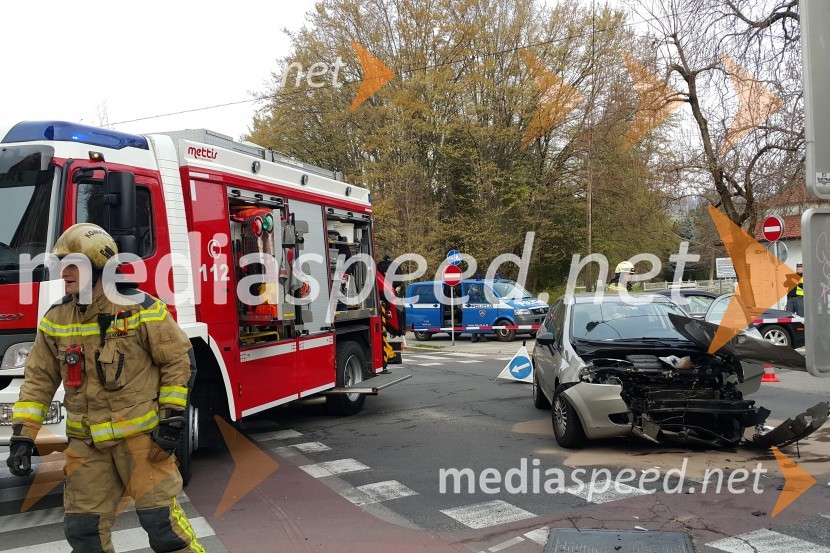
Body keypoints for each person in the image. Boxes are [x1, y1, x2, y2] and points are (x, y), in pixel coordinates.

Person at [6, 223, 204, 553]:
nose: (64, 274)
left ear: (98, 266)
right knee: (84, 533)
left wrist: (172, 420)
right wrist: (23, 435)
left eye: (72, 265)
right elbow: (39, 380)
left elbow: (179, 361)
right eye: (62, 266)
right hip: (87, 447)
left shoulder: (141, 309)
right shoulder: (56, 318)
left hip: (141, 442)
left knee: (163, 528)